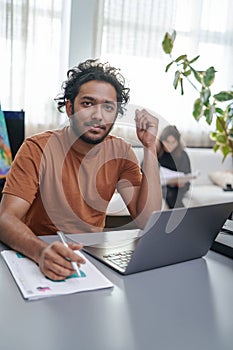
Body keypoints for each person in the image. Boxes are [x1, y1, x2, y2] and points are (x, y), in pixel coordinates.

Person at [0, 59, 162, 280]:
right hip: (37, 254)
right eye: (87, 103)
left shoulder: (121, 152)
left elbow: (146, 219)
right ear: (69, 108)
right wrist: (40, 251)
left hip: (91, 258)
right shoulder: (36, 148)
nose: (98, 115)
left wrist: (150, 147)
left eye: (108, 107)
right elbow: (6, 219)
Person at [157, 125, 191, 209]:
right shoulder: (155, 152)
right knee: (166, 192)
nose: (170, 145)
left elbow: (187, 175)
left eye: (173, 142)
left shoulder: (182, 155)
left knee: (173, 193)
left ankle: (178, 216)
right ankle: (181, 216)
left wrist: (181, 182)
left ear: (178, 142)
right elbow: (143, 171)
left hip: (178, 187)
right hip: (160, 186)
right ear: (161, 141)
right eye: (167, 142)